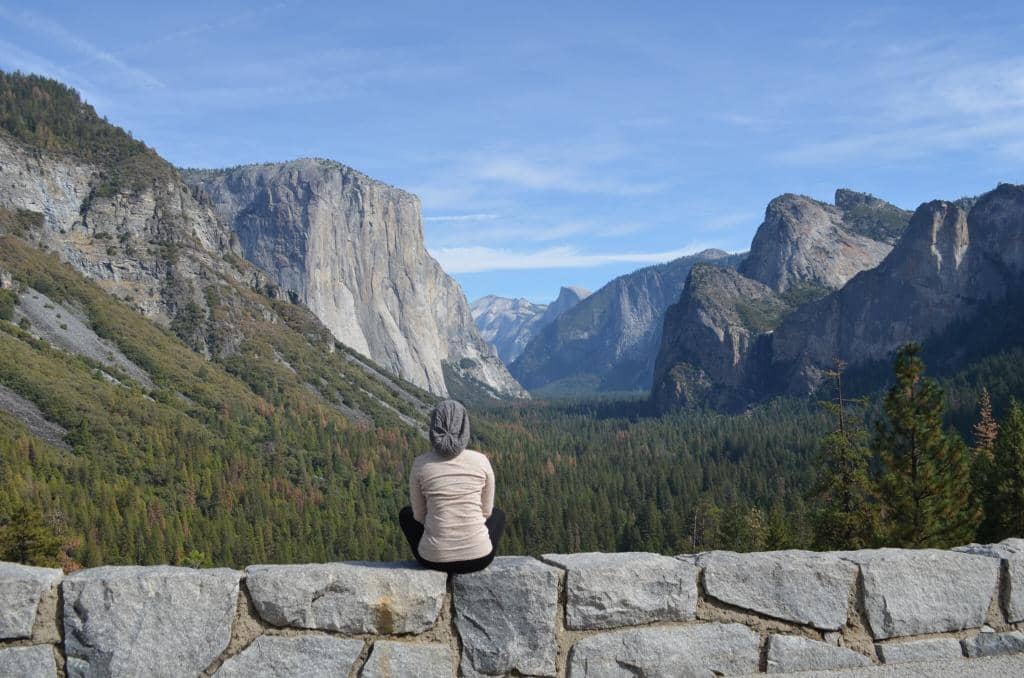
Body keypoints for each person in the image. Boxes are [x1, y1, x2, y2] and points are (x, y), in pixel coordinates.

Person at [399, 399, 505, 574]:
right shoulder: (481, 461)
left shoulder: (421, 464)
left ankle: (440, 548)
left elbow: (418, 516)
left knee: (406, 514)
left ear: (434, 426)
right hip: (479, 559)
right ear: (464, 427)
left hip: (433, 560)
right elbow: (486, 512)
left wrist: (439, 526)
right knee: (499, 514)